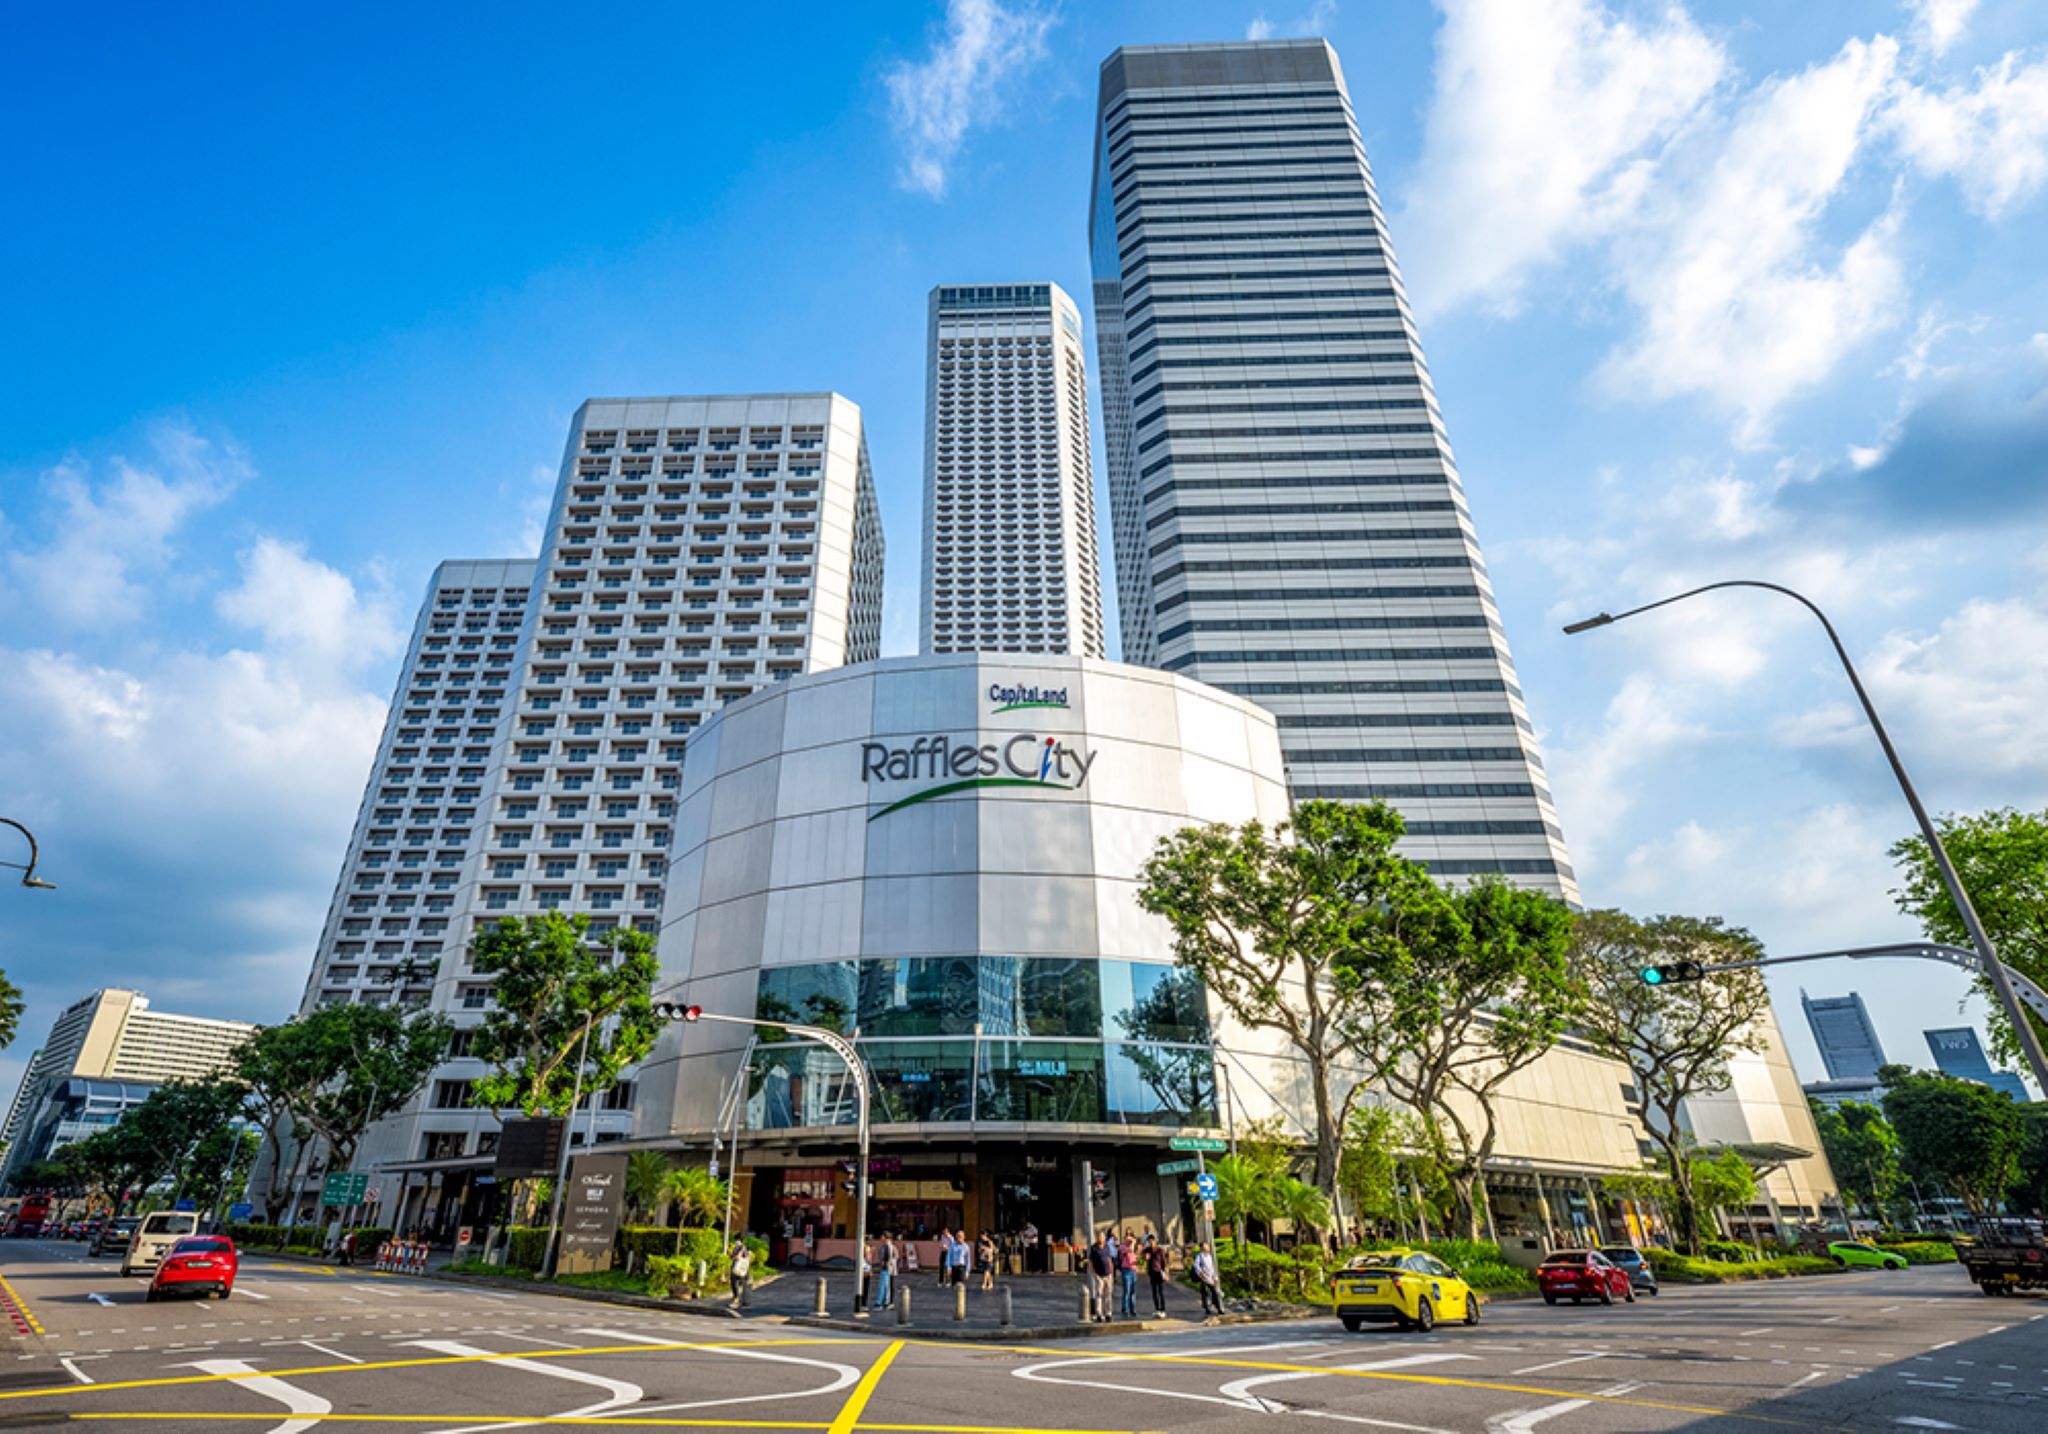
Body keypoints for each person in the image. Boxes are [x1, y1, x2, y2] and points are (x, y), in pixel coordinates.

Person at [1087, 1234, 1115, 1321]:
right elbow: (1090, 1261)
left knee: (1108, 1294)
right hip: (1099, 1275)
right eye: (1099, 1237)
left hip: (1108, 1274)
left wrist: (1112, 1273)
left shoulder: (1107, 1247)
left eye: (1102, 1237)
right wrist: (1094, 1273)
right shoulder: (1094, 1248)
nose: (1101, 1239)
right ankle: (1099, 1314)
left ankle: (1108, 1314)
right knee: (1099, 1294)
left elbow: (1109, 1260)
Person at [1193, 1242, 1223, 1317]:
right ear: (1202, 1248)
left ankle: (1218, 1308)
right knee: (1205, 1293)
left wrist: (1214, 1277)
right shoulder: (1199, 1256)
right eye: (1205, 1246)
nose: (1207, 1247)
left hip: (1210, 1277)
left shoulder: (1209, 1256)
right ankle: (1207, 1308)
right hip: (1203, 1277)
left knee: (1214, 1292)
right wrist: (1200, 1273)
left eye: (1207, 1246)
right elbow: (1196, 1265)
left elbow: (1212, 1267)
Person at [1144, 1235, 1169, 1317]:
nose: (1151, 1243)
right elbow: (1142, 1254)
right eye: (1149, 1241)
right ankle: (1157, 1309)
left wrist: (1166, 1273)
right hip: (1152, 1273)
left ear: (1155, 1241)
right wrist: (1145, 1257)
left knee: (1160, 1291)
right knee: (1154, 1292)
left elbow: (1163, 1262)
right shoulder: (1148, 1250)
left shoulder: (1159, 1250)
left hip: (1159, 1272)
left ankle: (1163, 1309)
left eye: (1152, 1241)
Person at [1117, 1230, 1139, 1317]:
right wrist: (1133, 1243)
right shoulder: (1123, 1247)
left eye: (1131, 1236)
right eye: (1127, 1236)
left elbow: (1137, 1256)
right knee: (1127, 1291)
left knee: (1133, 1291)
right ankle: (1125, 1309)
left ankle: (1132, 1309)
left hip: (1133, 1270)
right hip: (1126, 1270)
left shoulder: (1134, 1248)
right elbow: (1129, 1250)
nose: (1129, 1238)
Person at [869, 1233, 893, 1312]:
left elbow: (888, 1256)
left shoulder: (887, 1246)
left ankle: (880, 1302)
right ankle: (886, 1301)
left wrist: (885, 1262)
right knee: (886, 1285)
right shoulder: (887, 1245)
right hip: (886, 1267)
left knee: (883, 1285)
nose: (881, 1238)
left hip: (885, 1267)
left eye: (882, 1236)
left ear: (886, 1238)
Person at [729, 1240, 753, 1309]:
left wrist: (734, 1256)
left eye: (737, 1241)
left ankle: (737, 1302)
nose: (736, 1242)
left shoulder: (741, 1247)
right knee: (744, 1286)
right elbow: (749, 1258)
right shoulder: (744, 1248)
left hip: (738, 1271)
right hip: (744, 1271)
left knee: (735, 1286)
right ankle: (745, 1302)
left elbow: (737, 1257)